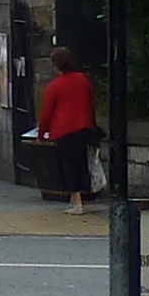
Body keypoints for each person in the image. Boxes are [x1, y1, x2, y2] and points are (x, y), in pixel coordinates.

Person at [34, 45, 100, 212]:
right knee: (81, 162)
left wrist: (41, 134)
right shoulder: (83, 79)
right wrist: (92, 123)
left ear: (56, 65)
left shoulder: (54, 86)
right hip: (83, 127)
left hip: (64, 130)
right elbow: (92, 102)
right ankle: (76, 198)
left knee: (69, 165)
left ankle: (77, 202)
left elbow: (46, 112)